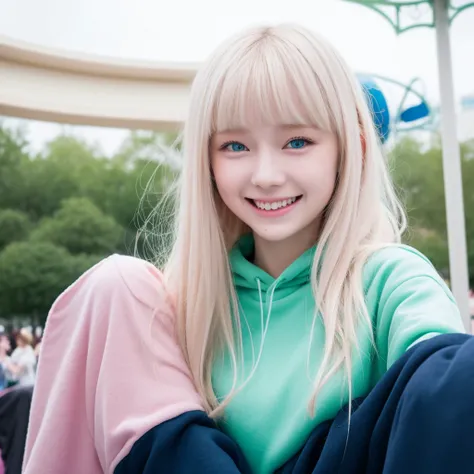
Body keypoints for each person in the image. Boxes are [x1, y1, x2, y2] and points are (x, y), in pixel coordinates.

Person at [23, 23, 472, 474]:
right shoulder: (181, 304)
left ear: (350, 148)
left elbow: (441, 386)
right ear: (207, 161)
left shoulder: (388, 277)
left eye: (297, 142)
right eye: (235, 145)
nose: (266, 174)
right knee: (112, 285)